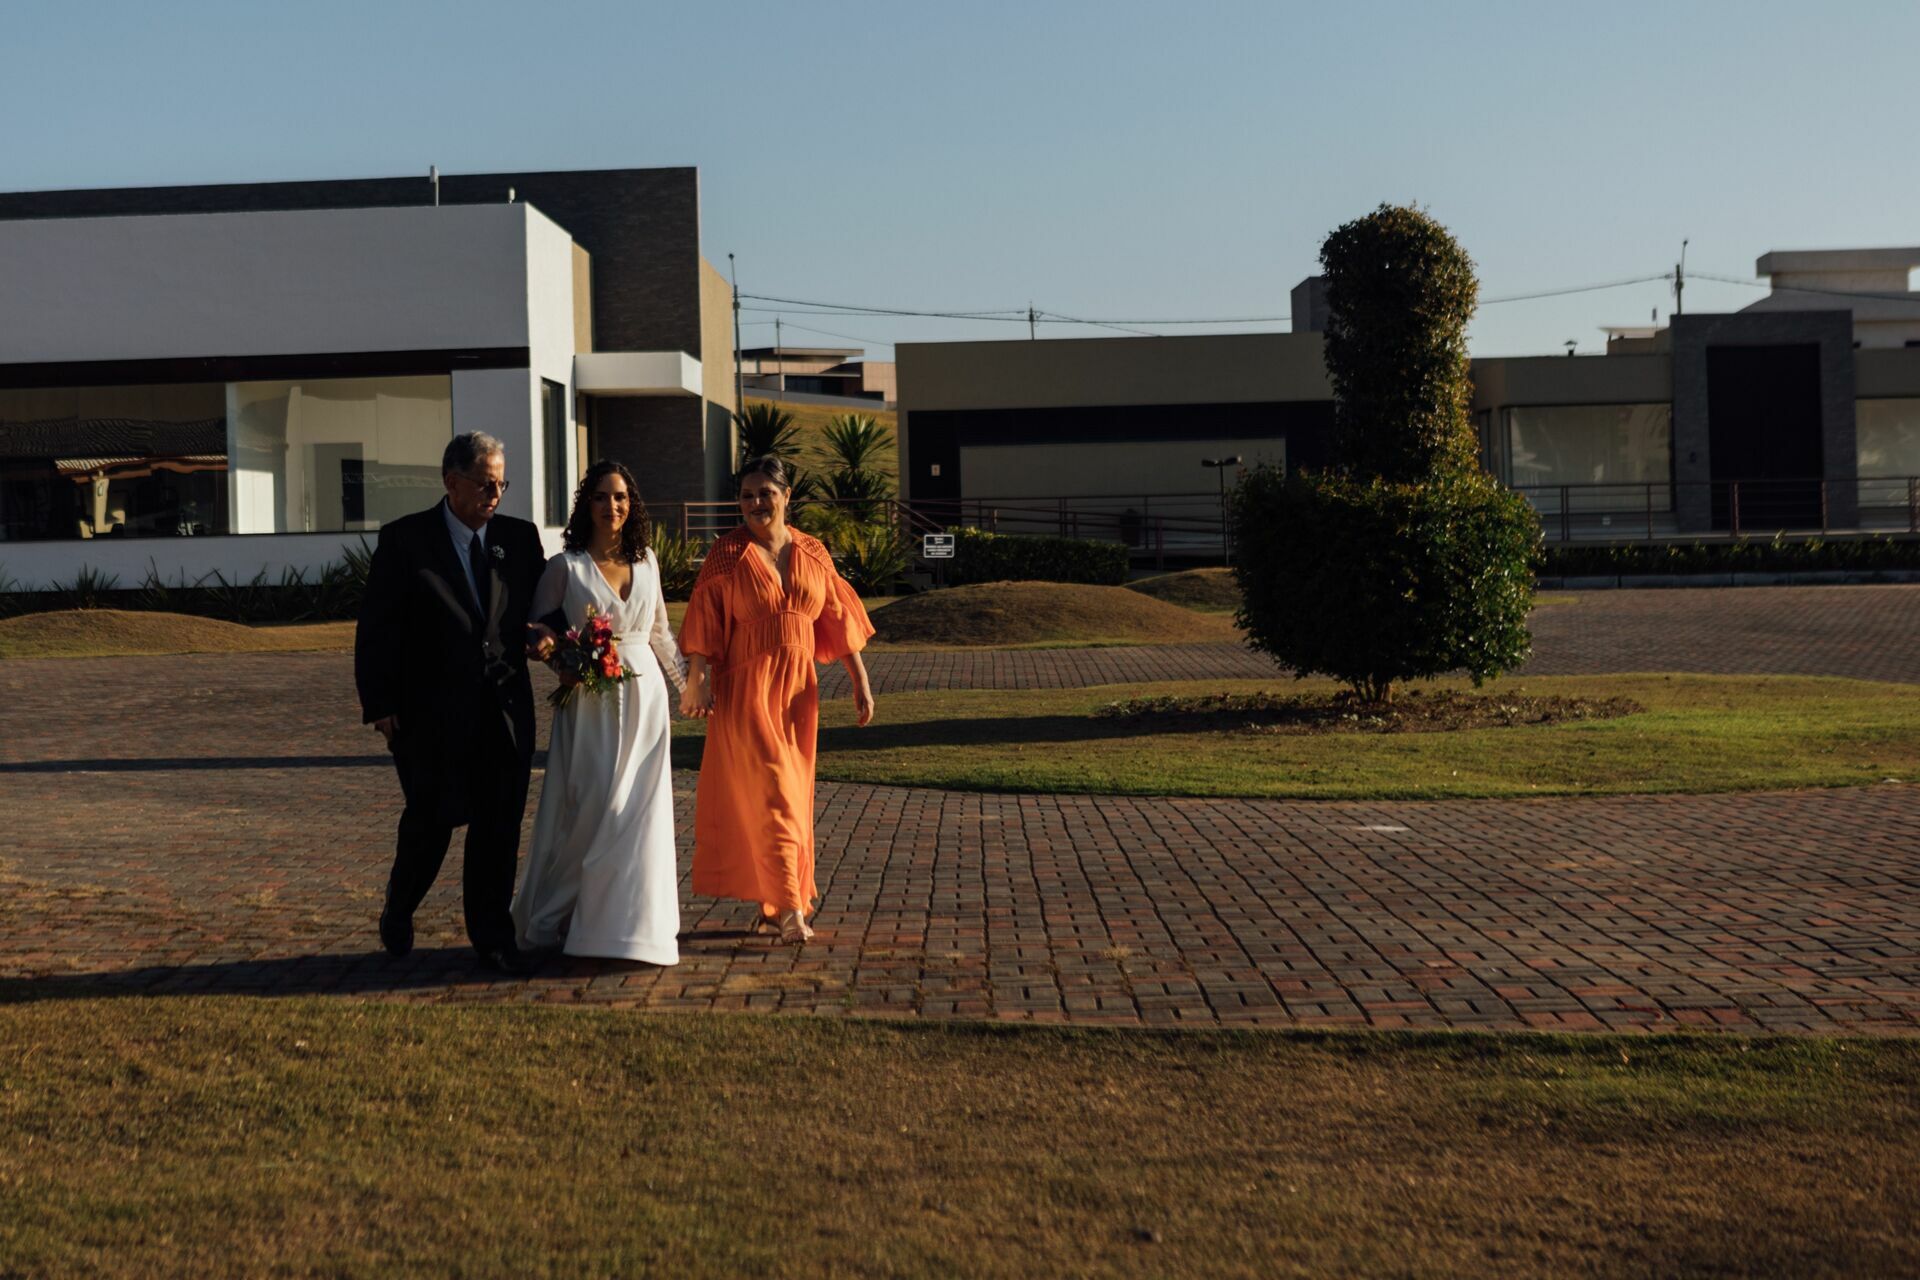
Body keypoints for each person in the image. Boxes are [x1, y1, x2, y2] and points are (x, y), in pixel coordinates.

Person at [354, 432, 546, 974]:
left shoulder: (520, 538)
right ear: (451, 481)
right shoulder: (405, 540)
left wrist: (547, 633)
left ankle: (491, 937)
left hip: (504, 713)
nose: (496, 493)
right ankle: (402, 901)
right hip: (428, 715)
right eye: (486, 483)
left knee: (497, 828)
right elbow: (377, 628)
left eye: (502, 483)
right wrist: (381, 703)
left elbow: (546, 605)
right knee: (431, 822)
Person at [678, 455, 877, 944]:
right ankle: (790, 909)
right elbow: (704, 620)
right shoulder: (727, 553)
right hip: (746, 690)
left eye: (765, 492)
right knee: (774, 797)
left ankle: (775, 899)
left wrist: (860, 681)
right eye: (746, 495)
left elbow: (836, 617)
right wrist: (698, 678)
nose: (755, 503)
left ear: (787, 496)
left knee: (792, 798)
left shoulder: (812, 551)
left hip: (797, 695)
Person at [512, 461, 685, 964]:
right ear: (586, 505)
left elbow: (660, 635)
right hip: (591, 704)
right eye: (602, 497)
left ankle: (629, 929)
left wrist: (690, 687)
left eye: (622, 497)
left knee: (640, 814)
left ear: (633, 506)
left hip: (647, 702)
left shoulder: (648, 562)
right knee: (593, 810)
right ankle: (553, 917)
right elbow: (534, 628)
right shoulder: (566, 567)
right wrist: (555, 656)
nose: (613, 506)